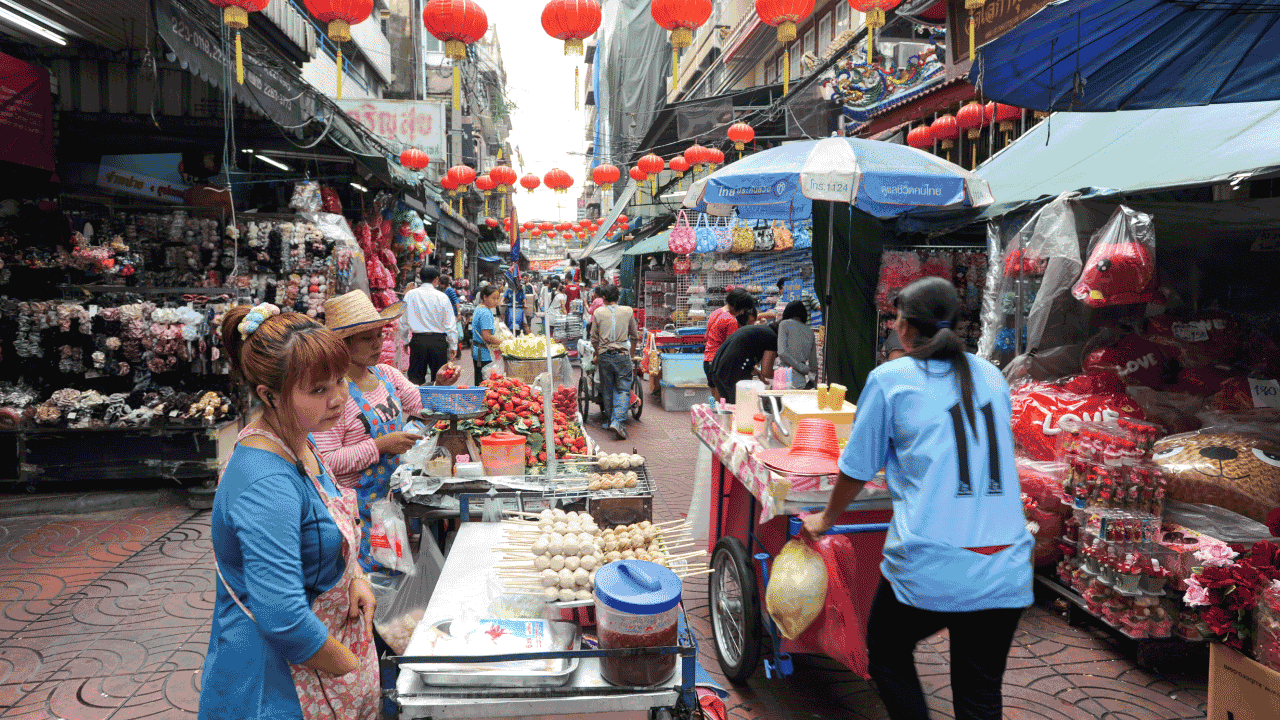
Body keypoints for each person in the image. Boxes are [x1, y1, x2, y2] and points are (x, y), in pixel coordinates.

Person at [801, 277, 1033, 720]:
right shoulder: (990, 374)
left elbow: (856, 467)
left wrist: (827, 518)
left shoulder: (891, 379)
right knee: (979, 693)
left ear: (904, 327)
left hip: (933, 560)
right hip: (1006, 564)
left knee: (886, 652)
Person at [200, 304, 379, 720]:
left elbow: (327, 527)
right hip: (278, 685)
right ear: (269, 395)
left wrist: (355, 576)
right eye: (318, 390)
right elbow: (283, 619)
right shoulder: (266, 483)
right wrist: (352, 670)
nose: (338, 399)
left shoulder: (301, 438)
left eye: (339, 381)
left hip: (322, 666)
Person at [314, 290, 426, 574]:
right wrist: (381, 446)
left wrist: (443, 387)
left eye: (379, 335)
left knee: (396, 578)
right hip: (356, 513)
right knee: (370, 585)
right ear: (343, 344)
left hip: (391, 501)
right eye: (367, 338)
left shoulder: (386, 375)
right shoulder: (334, 396)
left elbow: (421, 405)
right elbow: (325, 461)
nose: (378, 344)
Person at [590, 283, 640, 440]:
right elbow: (635, 336)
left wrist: (598, 355)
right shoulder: (627, 311)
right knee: (623, 389)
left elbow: (594, 339)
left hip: (605, 356)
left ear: (603, 298)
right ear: (618, 297)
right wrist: (630, 354)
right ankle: (617, 422)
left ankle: (613, 420)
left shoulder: (598, 312)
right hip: (622, 355)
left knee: (608, 389)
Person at [403, 266, 457, 385]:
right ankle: (437, 403)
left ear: (420, 277)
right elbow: (450, 324)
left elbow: (403, 321)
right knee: (440, 379)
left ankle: (416, 402)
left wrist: (405, 340)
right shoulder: (442, 297)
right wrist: (453, 345)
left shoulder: (410, 295)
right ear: (436, 279)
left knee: (415, 379)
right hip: (438, 342)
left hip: (418, 341)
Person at [704, 289, 758, 398]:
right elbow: (732, 349)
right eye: (743, 309)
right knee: (725, 403)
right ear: (737, 305)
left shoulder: (716, 312)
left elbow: (706, 337)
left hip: (708, 361)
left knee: (717, 403)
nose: (743, 312)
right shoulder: (731, 321)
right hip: (719, 363)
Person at [709, 317, 776, 403]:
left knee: (729, 407)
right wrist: (783, 376)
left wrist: (757, 372)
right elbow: (766, 371)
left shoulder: (759, 331)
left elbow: (739, 354)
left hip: (717, 366)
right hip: (731, 373)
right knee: (740, 406)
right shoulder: (772, 337)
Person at [776, 300, 818, 389]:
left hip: (784, 378)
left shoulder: (784, 324)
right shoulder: (810, 332)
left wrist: (802, 368)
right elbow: (814, 365)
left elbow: (782, 353)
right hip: (801, 381)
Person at [472, 284, 503, 382]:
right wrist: (503, 342)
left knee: (479, 379)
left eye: (498, 298)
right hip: (485, 354)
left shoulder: (479, 308)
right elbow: (486, 336)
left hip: (478, 351)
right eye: (493, 298)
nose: (496, 301)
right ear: (484, 297)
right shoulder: (486, 313)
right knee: (485, 383)